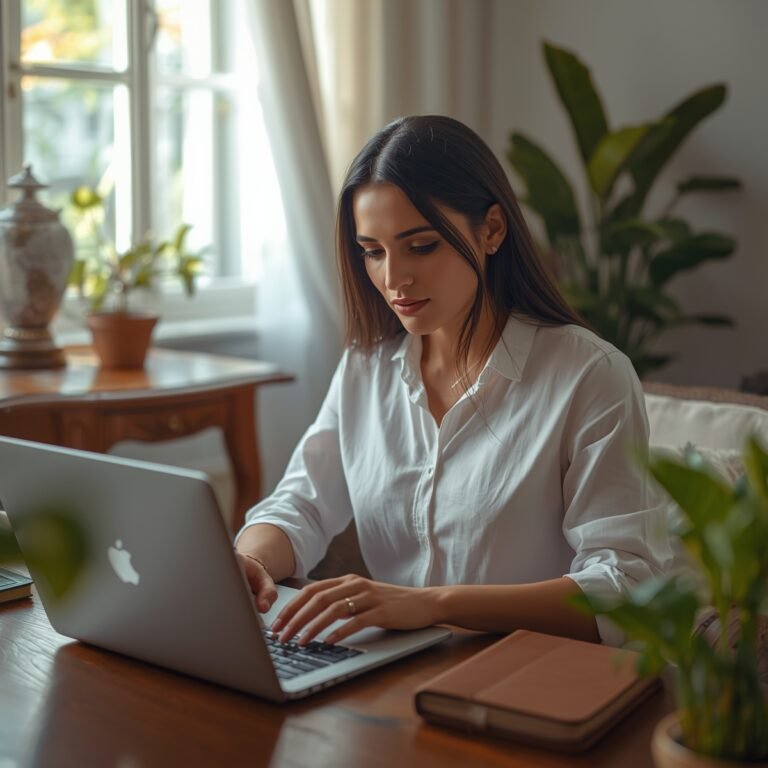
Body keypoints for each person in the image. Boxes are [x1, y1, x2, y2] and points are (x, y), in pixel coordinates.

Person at [234, 115, 672, 648]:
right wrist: (251, 560)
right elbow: (301, 503)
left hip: (525, 679)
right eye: (373, 251)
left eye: (421, 246)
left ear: (491, 230)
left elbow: (624, 589)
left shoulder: (590, 376)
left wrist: (432, 605)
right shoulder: (365, 368)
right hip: (388, 675)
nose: (393, 279)